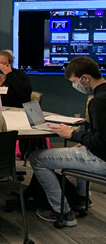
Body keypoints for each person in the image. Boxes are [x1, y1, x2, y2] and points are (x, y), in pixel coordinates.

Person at [30, 57, 106, 227]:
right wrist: (86, 141)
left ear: (85, 78)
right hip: (99, 153)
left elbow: (101, 141)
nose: (75, 85)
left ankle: (62, 212)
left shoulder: (98, 102)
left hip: (101, 159)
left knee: (37, 158)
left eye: (74, 81)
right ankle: (80, 199)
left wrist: (71, 134)